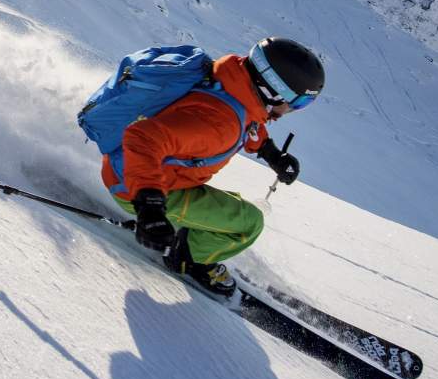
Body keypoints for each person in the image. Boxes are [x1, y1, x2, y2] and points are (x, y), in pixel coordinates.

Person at [105, 37, 323, 296]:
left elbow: (248, 120)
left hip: (126, 171)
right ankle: (187, 257)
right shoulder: (221, 126)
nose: (292, 110)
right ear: (274, 91)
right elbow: (142, 137)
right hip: (141, 189)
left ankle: (185, 229)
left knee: (231, 204)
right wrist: (149, 208)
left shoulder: (228, 82)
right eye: (297, 103)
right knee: (249, 223)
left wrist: (271, 153)